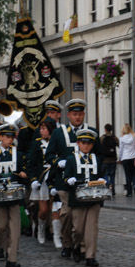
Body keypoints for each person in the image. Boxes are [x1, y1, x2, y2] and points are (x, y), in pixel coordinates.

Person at [46, 98, 89, 258]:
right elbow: (49, 155)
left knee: (81, 217)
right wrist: (58, 162)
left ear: (84, 115)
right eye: (74, 114)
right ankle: (67, 243)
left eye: (80, 114)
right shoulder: (59, 132)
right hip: (64, 181)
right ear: (69, 115)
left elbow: (99, 155)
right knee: (67, 214)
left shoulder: (90, 131)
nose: (77, 118)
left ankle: (80, 245)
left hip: (84, 181)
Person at [0, 124, 28, 267]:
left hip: (15, 196)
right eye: (7, 137)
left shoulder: (18, 154)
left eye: (12, 137)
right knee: (0, 226)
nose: (9, 140)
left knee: (15, 228)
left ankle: (12, 258)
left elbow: (24, 173)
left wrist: (23, 175)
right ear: (1, 137)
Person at [63, 128, 105, 267]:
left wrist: (102, 179)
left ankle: (90, 256)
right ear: (78, 143)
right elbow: (65, 177)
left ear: (92, 145)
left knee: (91, 228)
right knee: (78, 229)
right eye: (83, 142)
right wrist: (69, 180)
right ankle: (77, 246)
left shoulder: (97, 159)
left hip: (94, 198)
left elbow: (102, 174)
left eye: (88, 143)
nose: (86, 145)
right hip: (78, 199)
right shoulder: (71, 159)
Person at [27, 117, 56, 245]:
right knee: (44, 210)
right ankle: (41, 229)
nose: (41, 131)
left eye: (44, 128)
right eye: (41, 128)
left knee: (54, 208)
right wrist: (33, 179)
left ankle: (55, 233)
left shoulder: (56, 142)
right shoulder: (36, 143)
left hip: (54, 177)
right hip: (42, 178)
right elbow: (31, 163)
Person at [99, 124, 119, 196]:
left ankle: (107, 187)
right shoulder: (114, 137)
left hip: (105, 160)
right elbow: (119, 145)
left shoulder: (102, 138)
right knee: (112, 176)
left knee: (105, 174)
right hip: (113, 159)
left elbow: (99, 147)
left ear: (105, 129)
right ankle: (113, 190)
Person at [118, 123, 135, 197]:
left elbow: (121, 149)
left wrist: (119, 158)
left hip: (125, 157)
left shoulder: (121, 138)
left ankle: (129, 192)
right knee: (134, 173)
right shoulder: (134, 135)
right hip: (133, 156)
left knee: (127, 175)